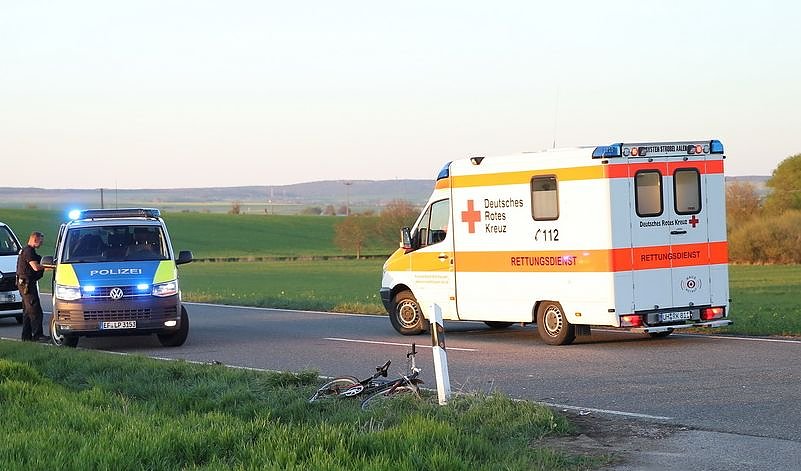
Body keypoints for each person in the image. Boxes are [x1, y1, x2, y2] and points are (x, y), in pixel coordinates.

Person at [16, 231, 49, 342]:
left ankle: (26, 337)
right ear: (35, 239)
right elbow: (35, 267)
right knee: (35, 310)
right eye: (40, 241)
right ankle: (37, 335)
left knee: (27, 312)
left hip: (24, 284)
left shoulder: (26, 250)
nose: (41, 244)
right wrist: (46, 267)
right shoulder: (29, 251)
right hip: (27, 285)